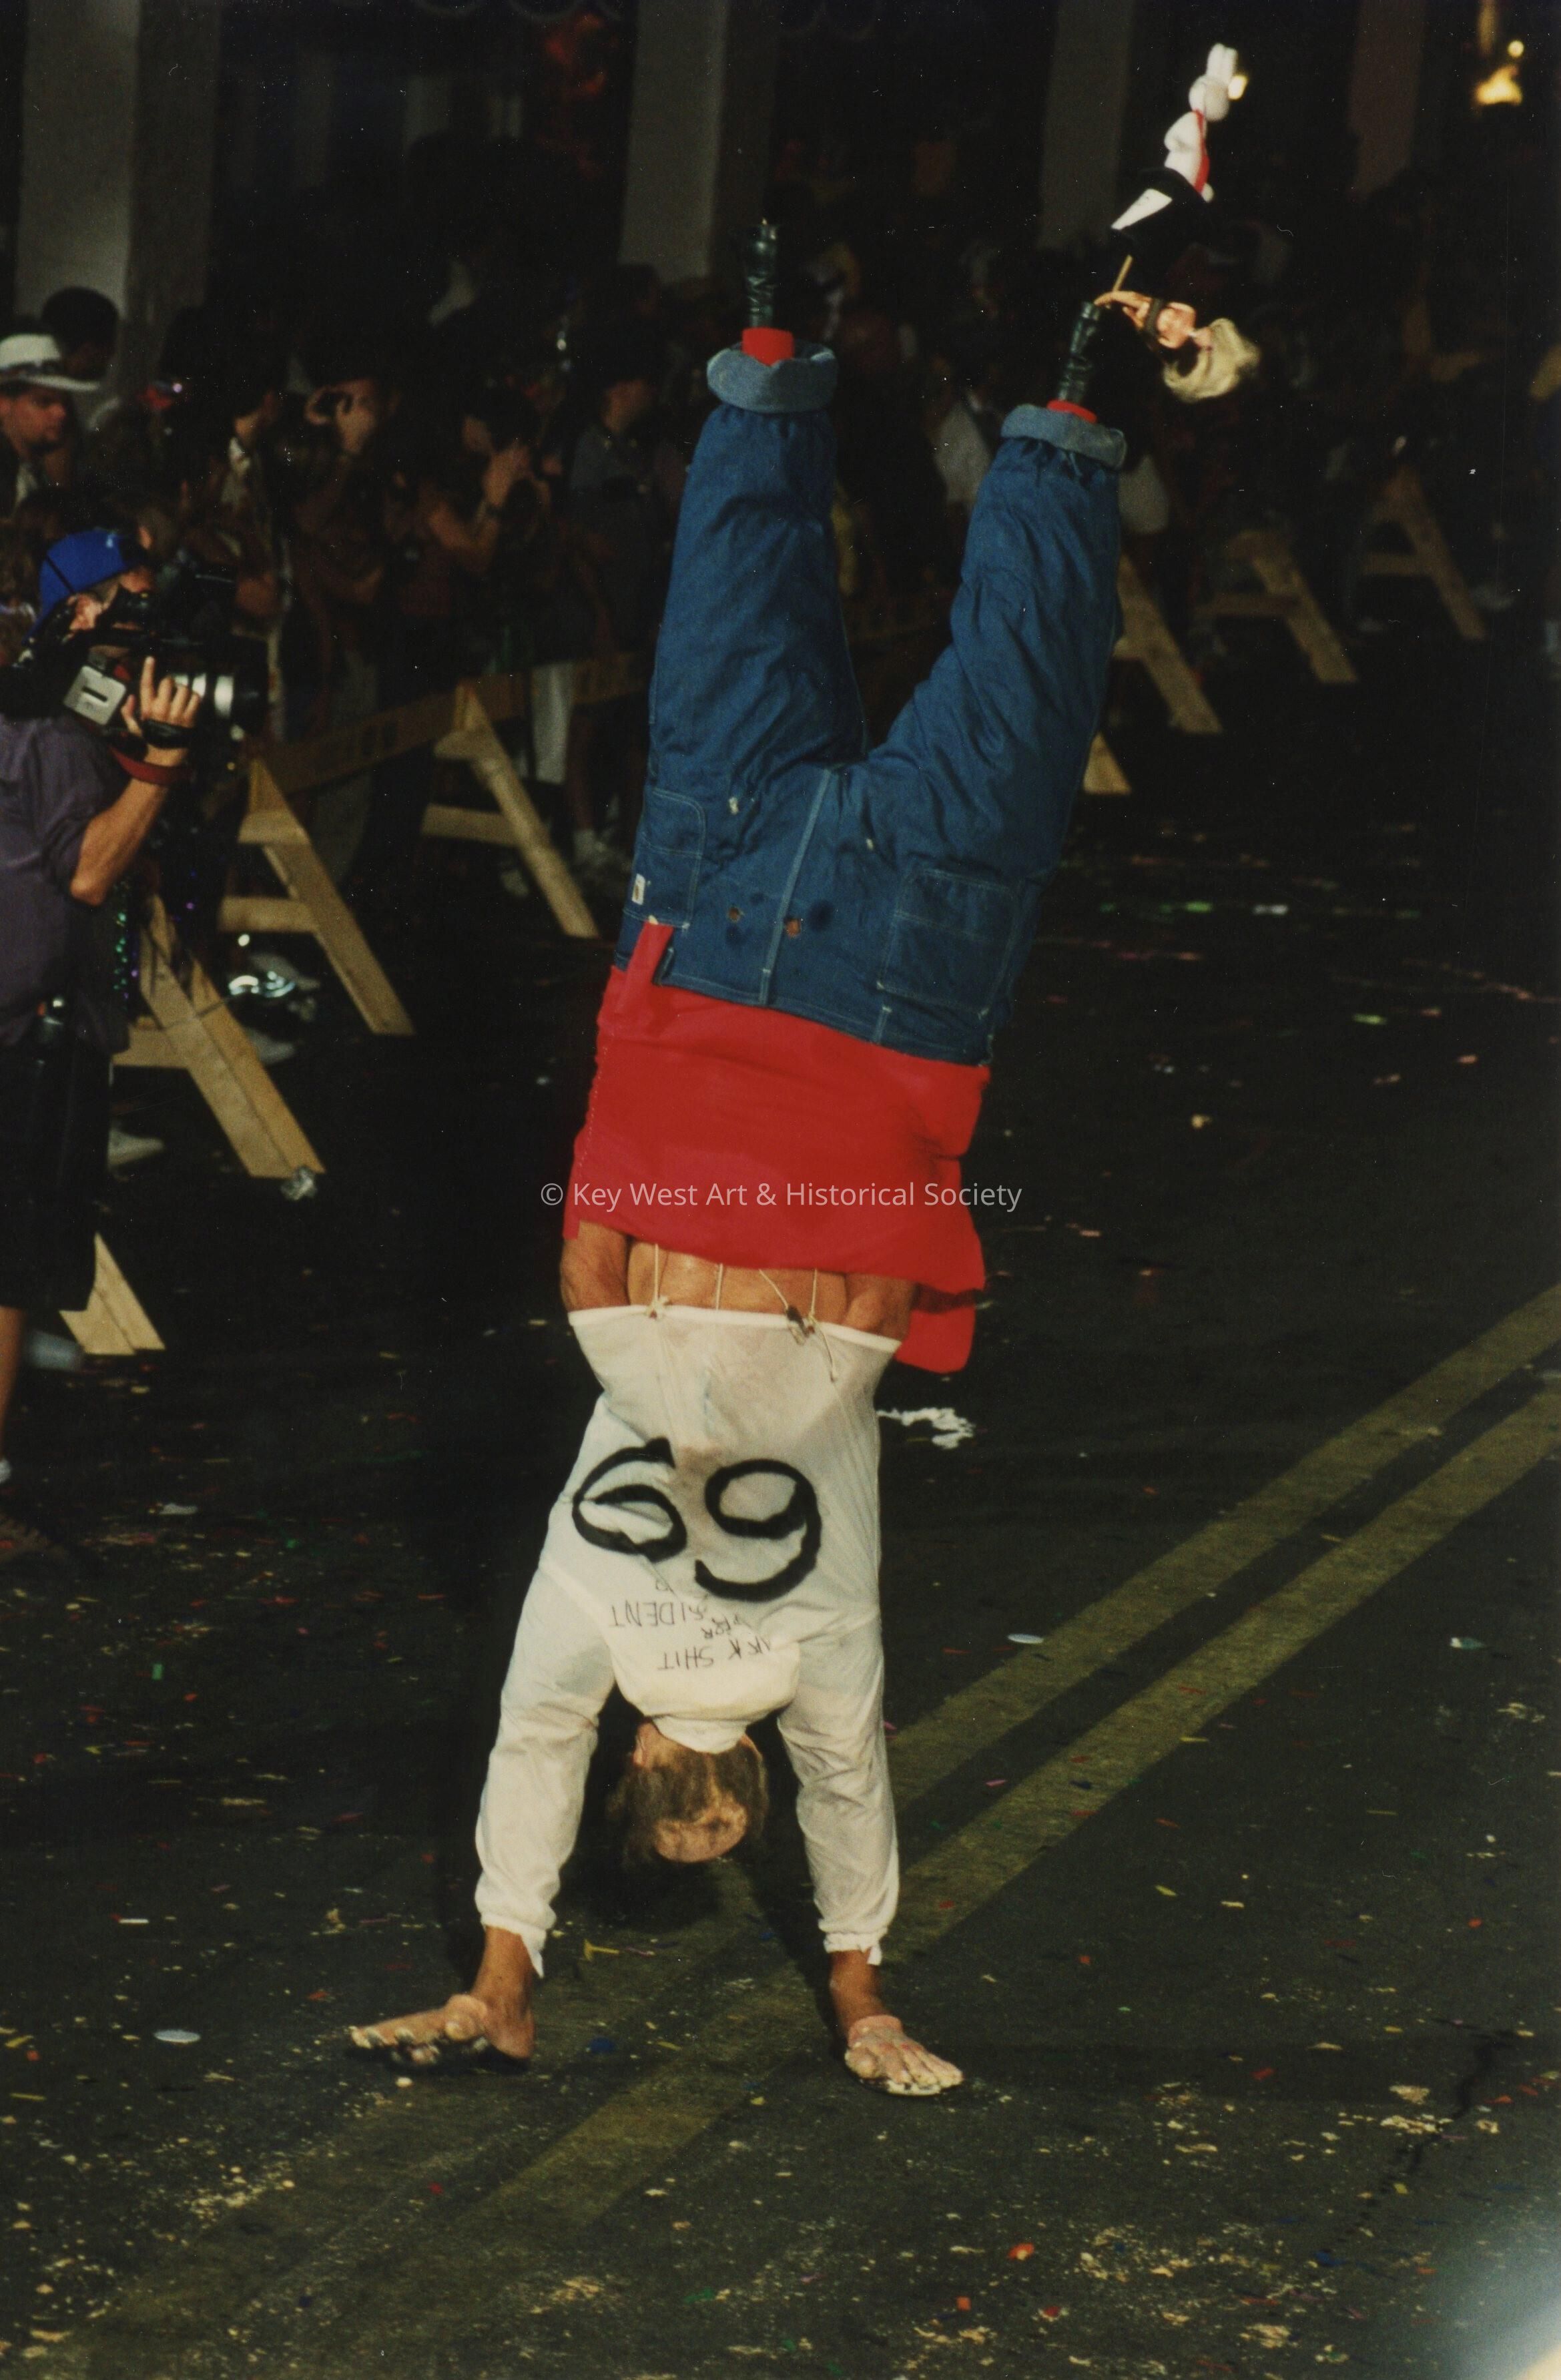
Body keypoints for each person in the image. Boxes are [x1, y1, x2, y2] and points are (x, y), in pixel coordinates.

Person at [351, 250, 1127, 2098]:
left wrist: (864, 1994)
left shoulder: (815, 1653)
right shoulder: (591, 1617)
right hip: (700, 974)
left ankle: (1070, 408)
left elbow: (849, 1785)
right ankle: (771, 357)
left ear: (717, 1766)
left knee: (1017, 683)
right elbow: (590, 1271)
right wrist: (501, 1966)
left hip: (888, 1026)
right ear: (642, 1745)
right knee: (733, 641)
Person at [0, 529, 201, 1501]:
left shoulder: (51, 709)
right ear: (74, 612)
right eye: (125, 605)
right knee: (9, 1258)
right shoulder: (50, 726)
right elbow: (86, 872)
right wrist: (159, 765)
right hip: (20, 1029)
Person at [0, 330, 95, 515]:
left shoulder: (35, 472)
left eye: (64, 402)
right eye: (44, 402)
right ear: (3, 403)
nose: (61, 413)